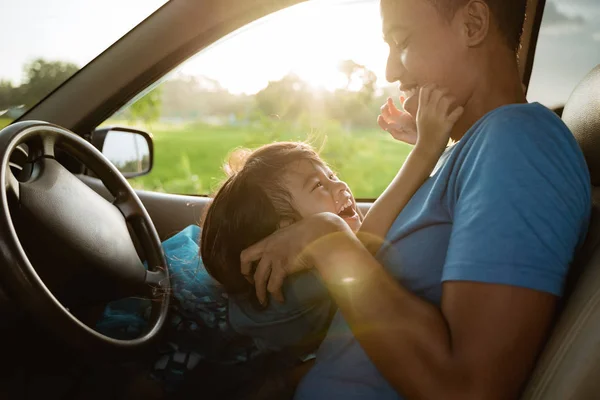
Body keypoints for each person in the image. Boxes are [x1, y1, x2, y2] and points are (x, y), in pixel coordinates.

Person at [239, 0, 592, 399]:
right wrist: (290, 380)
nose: (390, 70)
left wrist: (329, 241)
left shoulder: (519, 144)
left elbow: (468, 389)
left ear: (473, 24)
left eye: (401, 41)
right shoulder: (470, 150)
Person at [200, 87, 462, 353]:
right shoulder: (291, 286)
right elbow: (367, 243)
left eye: (332, 176)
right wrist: (427, 147)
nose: (340, 187)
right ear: (286, 232)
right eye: (318, 186)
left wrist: (430, 145)